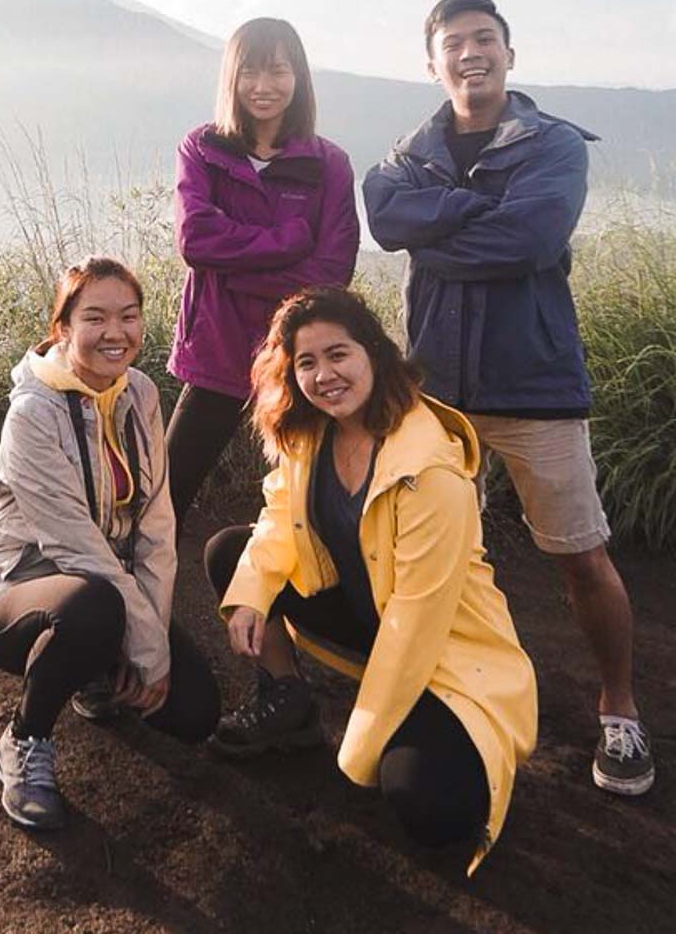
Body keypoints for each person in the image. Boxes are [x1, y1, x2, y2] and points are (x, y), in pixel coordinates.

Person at [362, 0, 654, 797]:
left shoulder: (555, 143)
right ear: (433, 64)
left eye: (484, 39)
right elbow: (385, 219)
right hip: (436, 392)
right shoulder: (408, 153)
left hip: (535, 386)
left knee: (580, 554)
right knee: (432, 551)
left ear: (509, 54)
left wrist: (442, 227)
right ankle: (447, 693)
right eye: (454, 43)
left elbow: (532, 236)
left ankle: (620, 709)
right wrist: (479, 215)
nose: (470, 53)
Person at [204, 287, 536, 874]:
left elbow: (415, 621)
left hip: (442, 650)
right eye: (306, 362)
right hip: (369, 614)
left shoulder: (428, 465)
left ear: (375, 355)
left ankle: (454, 743)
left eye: (339, 355)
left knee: (425, 806)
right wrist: (251, 597)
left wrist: (356, 751)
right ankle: (290, 702)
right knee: (232, 555)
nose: (324, 375)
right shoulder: (310, 432)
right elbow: (279, 519)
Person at [0, 256, 220, 831]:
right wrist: (144, 647)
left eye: (129, 316)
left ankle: (94, 671)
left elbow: (157, 527)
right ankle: (23, 741)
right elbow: (77, 548)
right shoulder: (31, 414)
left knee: (195, 714)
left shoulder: (142, 394)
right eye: (96, 317)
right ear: (63, 329)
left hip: (110, 587)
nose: (116, 332)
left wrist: (150, 639)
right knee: (93, 608)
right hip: (26, 596)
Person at [166, 17, 359, 529]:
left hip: (299, 355)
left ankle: (296, 609)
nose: (263, 86)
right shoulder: (202, 149)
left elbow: (332, 272)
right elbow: (196, 240)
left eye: (278, 70)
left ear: (298, 77)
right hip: (217, 350)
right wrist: (291, 241)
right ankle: (143, 607)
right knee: (165, 500)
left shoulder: (329, 163)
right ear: (231, 77)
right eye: (250, 71)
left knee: (311, 506)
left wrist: (236, 275)